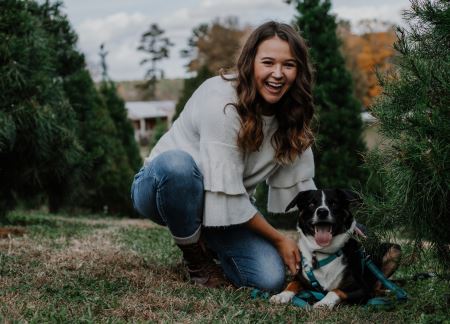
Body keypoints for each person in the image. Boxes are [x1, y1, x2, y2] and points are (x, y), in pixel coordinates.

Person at [131, 21, 316, 291]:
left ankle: (208, 240)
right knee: (178, 166)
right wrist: (279, 240)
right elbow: (227, 195)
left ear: (298, 70)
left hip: (220, 208)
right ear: (250, 62)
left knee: (269, 279)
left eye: (288, 65)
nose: (278, 73)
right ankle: (196, 260)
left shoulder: (291, 112)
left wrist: (336, 223)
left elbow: (302, 186)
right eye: (268, 62)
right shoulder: (222, 99)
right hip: (161, 187)